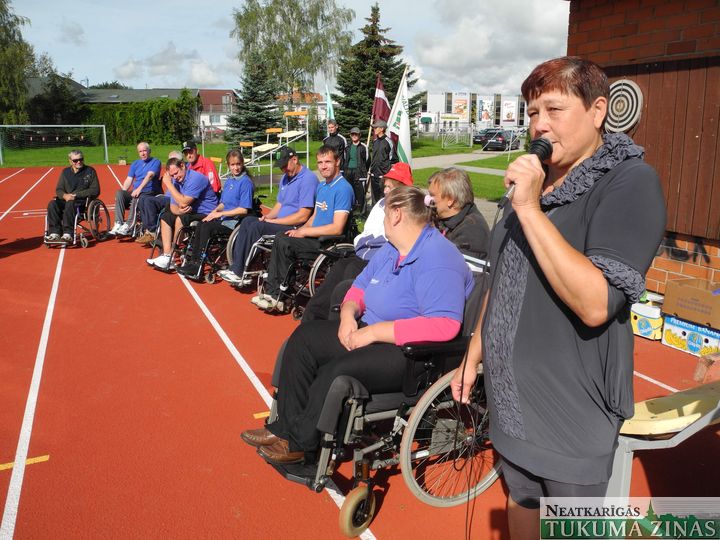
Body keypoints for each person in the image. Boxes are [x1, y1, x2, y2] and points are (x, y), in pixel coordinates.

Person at [450, 56, 666, 539]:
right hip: (511, 401)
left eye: (554, 109)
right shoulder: (538, 179)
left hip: (571, 412)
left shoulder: (629, 182)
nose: (539, 125)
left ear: (598, 111)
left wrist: (528, 206)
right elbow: (502, 276)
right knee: (520, 495)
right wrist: (474, 353)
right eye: (532, 113)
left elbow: (596, 302)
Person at [240, 185, 474, 464]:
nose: (383, 219)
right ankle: (284, 430)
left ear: (397, 215)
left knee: (335, 369)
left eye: (385, 213)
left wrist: (373, 332)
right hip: (368, 329)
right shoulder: (392, 249)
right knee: (304, 339)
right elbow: (359, 287)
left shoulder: (438, 256)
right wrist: (348, 316)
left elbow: (444, 324)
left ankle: (301, 444)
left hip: (409, 353)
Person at [301, 161, 413, 322]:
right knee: (340, 265)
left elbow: (389, 240)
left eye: (390, 187)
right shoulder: (380, 205)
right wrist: (366, 242)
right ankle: (312, 316)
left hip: (382, 260)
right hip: (364, 253)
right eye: (385, 186)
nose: (385, 190)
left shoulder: (406, 210)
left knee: (351, 271)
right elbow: (366, 233)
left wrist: (368, 242)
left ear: (402, 189)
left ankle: (337, 321)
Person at [254, 145, 354, 312]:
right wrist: (300, 230)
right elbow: (314, 216)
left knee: (285, 244)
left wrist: (305, 231)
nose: (323, 166)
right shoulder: (322, 186)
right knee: (282, 236)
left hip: (327, 242)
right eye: (320, 162)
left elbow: (337, 228)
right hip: (313, 236)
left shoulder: (343, 188)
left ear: (337, 162)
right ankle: (273, 290)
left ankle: (278, 295)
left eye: (327, 162)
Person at [216, 147, 317, 285]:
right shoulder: (286, 178)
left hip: (294, 226)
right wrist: (268, 217)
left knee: (256, 227)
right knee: (247, 221)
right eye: (281, 166)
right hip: (280, 222)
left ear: (295, 159)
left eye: (285, 165)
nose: (283, 169)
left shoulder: (308, 179)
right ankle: (236, 267)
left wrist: (274, 222)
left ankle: (239, 272)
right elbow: (279, 204)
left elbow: (302, 216)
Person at [177, 149, 257, 278]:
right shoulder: (230, 180)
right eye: (232, 165)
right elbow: (223, 203)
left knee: (206, 228)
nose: (236, 168)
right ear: (228, 165)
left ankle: (197, 267)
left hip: (235, 222)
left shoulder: (245, 182)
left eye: (238, 164)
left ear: (242, 164)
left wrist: (220, 214)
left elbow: (244, 209)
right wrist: (213, 212)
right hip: (224, 218)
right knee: (201, 224)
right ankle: (192, 262)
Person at [145, 157, 218, 270]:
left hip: (207, 212)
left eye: (176, 173)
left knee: (181, 219)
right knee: (166, 217)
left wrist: (169, 184)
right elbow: (173, 206)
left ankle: (172, 255)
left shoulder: (196, 178)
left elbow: (184, 202)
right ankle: (167, 255)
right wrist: (179, 211)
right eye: (172, 175)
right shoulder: (176, 180)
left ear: (183, 166)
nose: (175, 177)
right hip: (191, 211)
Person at [427, 167, 491, 260]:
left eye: (432, 195)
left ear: (450, 199)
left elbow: (452, 265)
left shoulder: (472, 231)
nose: (427, 199)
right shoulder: (440, 217)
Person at [45, 150, 100, 242]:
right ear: (70, 161)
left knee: (71, 203)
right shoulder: (65, 172)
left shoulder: (90, 171)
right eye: (75, 160)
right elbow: (59, 189)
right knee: (52, 204)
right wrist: (65, 196)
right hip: (67, 200)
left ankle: (68, 233)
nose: (79, 162)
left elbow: (95, 190)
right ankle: (54, 233)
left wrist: (76, 195)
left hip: (81, 202)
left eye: (81, 159)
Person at [109, 142, 162, 236]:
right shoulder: (135, 163)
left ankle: (128, 225)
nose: (143, 153)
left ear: (149, 151)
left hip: (149, 192)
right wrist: (123, 192)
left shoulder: (156, 162)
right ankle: (118, 223)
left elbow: (150, 175)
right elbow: (129, 179)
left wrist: (139, 189)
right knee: (120, 193)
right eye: (140, 151)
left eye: (145, 151)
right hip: (136, 192)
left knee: (136, 197)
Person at [135, 151, 185, 246]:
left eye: (173, 161)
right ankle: (147, 230)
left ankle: (152, 231)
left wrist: (169, 181)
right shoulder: (171, 173)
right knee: (142, 198)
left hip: (173, 199)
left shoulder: (180, 174)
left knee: (149, 201)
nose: (170, 164)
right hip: (165, 196)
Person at [368, 119, 398, 205]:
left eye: (375, 128)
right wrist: (371, 170)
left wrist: (388, 173)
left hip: (383, 175)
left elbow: (394, 160)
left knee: (384, 198)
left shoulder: (389, 142)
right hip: (374, 175)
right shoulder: (375, 141)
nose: (374, 129)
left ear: (381, 129)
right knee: (374, 198)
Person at [343, 127, 369, 211]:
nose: (354, 136)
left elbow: (367, 160)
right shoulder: (347, 147)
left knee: (360, 193)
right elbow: (345, 158)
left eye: (356, 134)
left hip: (359, 173)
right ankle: (351, 210)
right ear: (350, 136)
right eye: (352, 134)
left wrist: (363, 170)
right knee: (349, 191)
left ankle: (362, 212)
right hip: (348, 172)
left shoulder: (363, 147)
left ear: (359, 135)